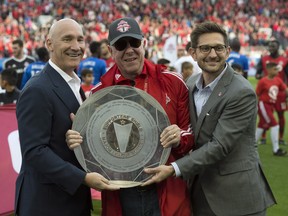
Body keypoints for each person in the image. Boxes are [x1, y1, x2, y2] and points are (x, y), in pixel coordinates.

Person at [143, 21, 276, 216]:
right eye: (205, 48)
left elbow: (219, 146)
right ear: (193, 53)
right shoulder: (189, 85)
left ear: (228, 51)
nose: (213, 54)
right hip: (199, 193)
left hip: (237, 199)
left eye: (218, 48)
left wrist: (173, 169)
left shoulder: (241, 92)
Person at [66, 17, 194, 216]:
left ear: (144, 43)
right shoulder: (99, 93)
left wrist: (179, 138)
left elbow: (191, 134)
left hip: (167, 189)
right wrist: (77, 139)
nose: (129, 50)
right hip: (121, 193)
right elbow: (90, 149)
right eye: (120, 45)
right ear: (111, 50)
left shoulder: (173, 82)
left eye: (134, 43)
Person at [15, 18, 118, 216]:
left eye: (80, 40)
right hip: (46, 204)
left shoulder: (73, 84)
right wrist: (83, 178)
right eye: (67, 39)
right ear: (49, 44)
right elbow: (34, 151)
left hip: (70, 200)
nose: (76, 46)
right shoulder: (37, 89)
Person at [255, 39, 288, 145]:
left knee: (281, 115)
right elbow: (258, 71)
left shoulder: (285, 60)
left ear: (278, 47)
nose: (270, 48)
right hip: (267, 91)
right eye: (269, 46)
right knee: (265, 115)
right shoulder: (264, 59)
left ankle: (281, 138)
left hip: (280, 93)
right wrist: (258, 75)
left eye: (273, 46)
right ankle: (263, 137)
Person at [255, 62, 287, 156]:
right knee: (275, 125)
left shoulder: (278, 80)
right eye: (275, 69)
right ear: (268, 70)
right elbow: (257, 95)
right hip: (263, 105)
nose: (277, 71)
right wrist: (255, 108)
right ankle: (276, 150)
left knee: (261, 126)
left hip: (271, 106)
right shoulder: (263, 81)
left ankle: (250, 146)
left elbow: (285, 89)